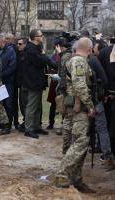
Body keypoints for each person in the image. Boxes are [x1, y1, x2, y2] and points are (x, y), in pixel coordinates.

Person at [54, 37, 96, 193]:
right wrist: (90, 105)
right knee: (80, 142)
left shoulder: (74, 59)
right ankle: (63, 174)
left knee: (78, 144)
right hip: (80, 109)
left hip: (74, 108)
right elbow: (79, 85)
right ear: (90, 49)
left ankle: (76, 178)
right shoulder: (79, 61)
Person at [21, 29, 55, 139]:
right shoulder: (31, 49)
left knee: (38, 106)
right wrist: (44, 55)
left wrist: (43, 54)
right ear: (35, 37)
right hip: (33, 82)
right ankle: (29, 128)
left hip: (37, 81)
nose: (42, 37)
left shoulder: (36, 48)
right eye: (41, 35)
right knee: (32, 105)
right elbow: (40, 61)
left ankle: (36, 126)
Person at [0, 33, 16, 131]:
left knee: (8, 103)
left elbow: (12, 66)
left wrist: (1, 75)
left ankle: (8, 123)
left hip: (8, 82)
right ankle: (0, 122)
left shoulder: (10, 51)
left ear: (3, 42)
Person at [16, 37, 28, 132]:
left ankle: (27, 122)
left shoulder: (27, 55)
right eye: (18, 44)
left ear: (25, 44)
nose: (18, 46)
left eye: (20, 44)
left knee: (25, 103)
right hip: (21, 83)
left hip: (26, 83)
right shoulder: (19, 54)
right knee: (22, 104)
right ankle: (26, 121)